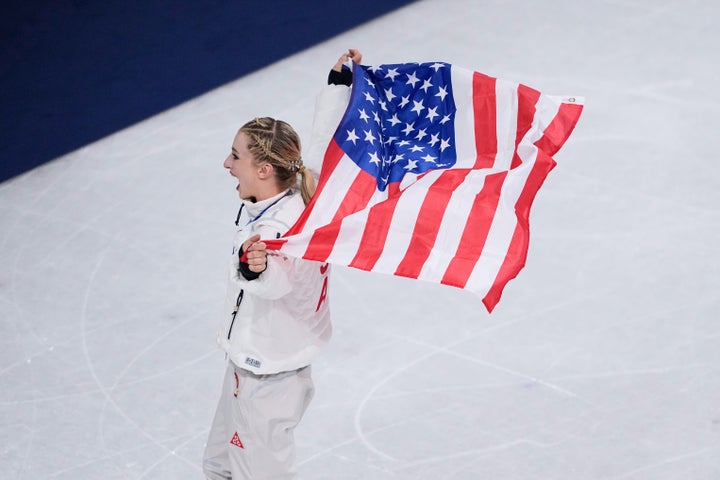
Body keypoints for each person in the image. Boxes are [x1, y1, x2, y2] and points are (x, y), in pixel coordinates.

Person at [203, 49, 362, 479]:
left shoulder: (278, 232)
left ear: (264, 169)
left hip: (268, 380)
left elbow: (277, 280)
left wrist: (255, 268)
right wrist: (339, 88)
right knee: (219, 466)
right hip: (254, 369)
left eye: (235, 156)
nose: (227, 164)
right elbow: (326, 143)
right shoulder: (302, 187)